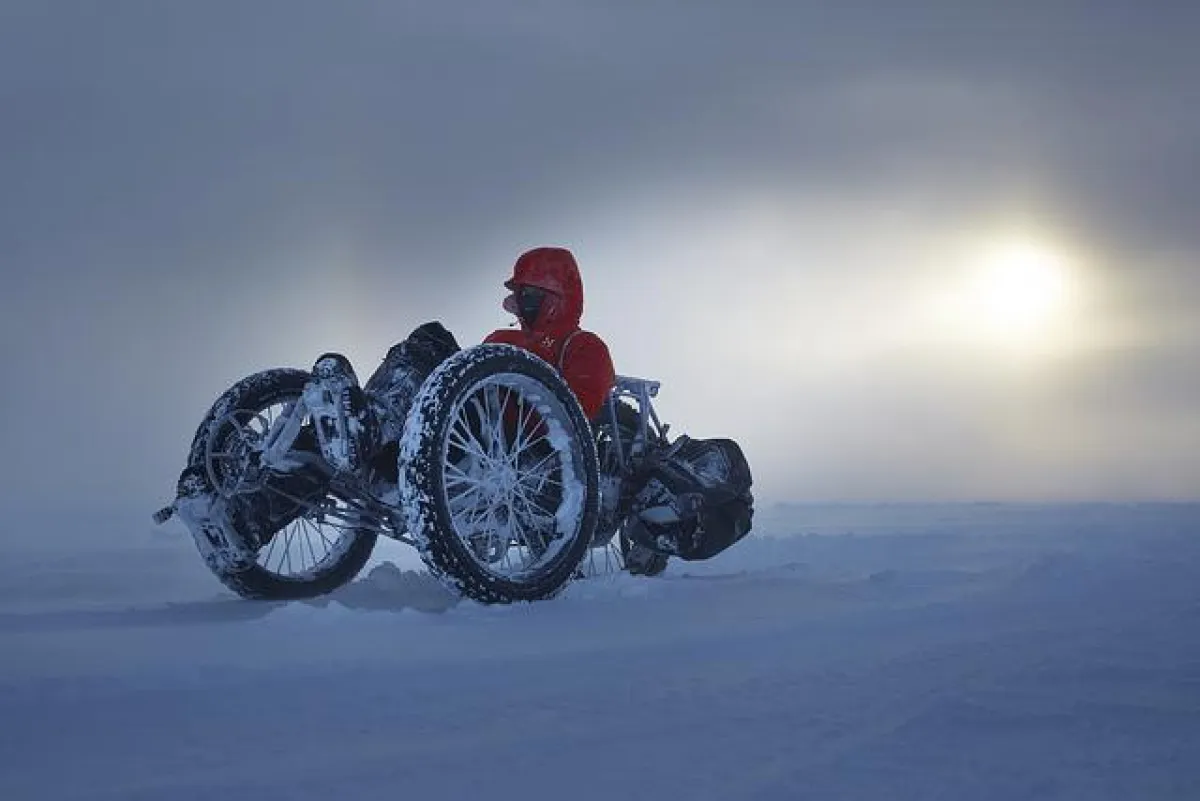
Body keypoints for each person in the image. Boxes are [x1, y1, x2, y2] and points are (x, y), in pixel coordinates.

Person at [305, 246, 616, 481]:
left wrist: (510, 398)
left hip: (505, 440)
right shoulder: (502, 337)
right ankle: (285, 476)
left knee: (432, 340)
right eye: (520, 295)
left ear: (557, 297)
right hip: (458, 424)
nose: (522, 303)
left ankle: (371, 425)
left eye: (530, 294)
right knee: (425, 344)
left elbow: (573, 417)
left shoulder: (583, 345)